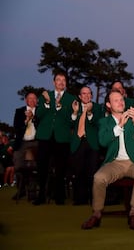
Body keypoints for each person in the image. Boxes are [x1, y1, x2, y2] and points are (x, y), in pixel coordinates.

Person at [81, 90, 134, 230]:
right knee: (98, 177)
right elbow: (102, 141)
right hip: (115, 163)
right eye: (116, 100)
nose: (120, 102)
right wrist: (119, 126)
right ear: (108, 105)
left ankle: (133, 213)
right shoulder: (104, 122)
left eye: (121, 99)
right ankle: (96, 214)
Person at [32, 72, 76, 205]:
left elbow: (71, 121)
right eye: (58, 80)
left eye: (64, 80)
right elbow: (38, 115)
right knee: (42, 168)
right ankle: (41, 196)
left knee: (61, 169)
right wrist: (46, 103)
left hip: (62, 138)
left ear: (66, 83)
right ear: (53, 82)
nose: (61, 82)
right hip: (45, 137)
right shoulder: (46, 96)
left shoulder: (71, 98)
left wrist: (62, 108)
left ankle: (59, 196)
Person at [69, 86, 103, 205]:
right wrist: (74, 112)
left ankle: (93, 199)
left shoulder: (98, 107)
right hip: (78, 142)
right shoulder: (74, 106)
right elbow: (70, 124)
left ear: (91, 96)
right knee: (78, 172)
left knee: (92, 172)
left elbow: (98, 123)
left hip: (92, 144)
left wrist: (89, 112)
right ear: (80, 96)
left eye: (89, 93)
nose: (86, 95)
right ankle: (79, 199)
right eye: (84, 93)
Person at [11, 91, 38, 200]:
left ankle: (32, 192)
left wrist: (33, 117)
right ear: (26, 100)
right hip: (22, 142)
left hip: (35, 142)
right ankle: (21, 189)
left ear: (37, 101)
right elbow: (17, 128)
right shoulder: (19, 111)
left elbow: (42, 126)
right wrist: (26, 120)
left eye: (34, 98)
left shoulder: (40, 112)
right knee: (18, 166)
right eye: (30, 98)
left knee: (33, 166)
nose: (32, 100)